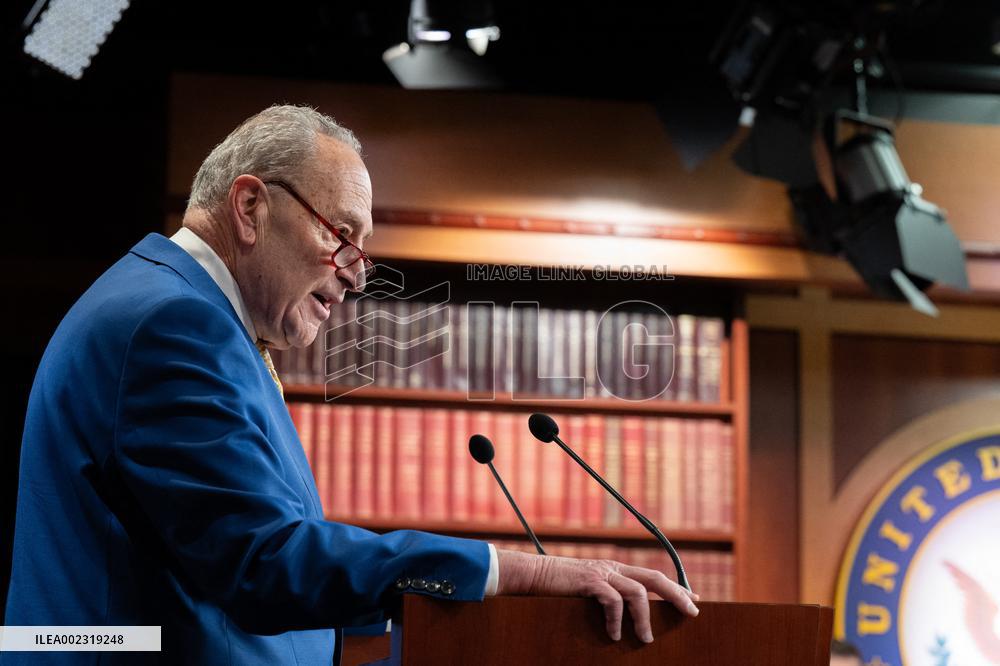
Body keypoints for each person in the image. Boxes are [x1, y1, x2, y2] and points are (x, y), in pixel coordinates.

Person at [2, 105, 699, 664]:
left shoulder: (178, 310)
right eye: (343, 234)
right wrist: (515, 573)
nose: (357, 272)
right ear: (250, 207)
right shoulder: (174, 322)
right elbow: (264, 563)